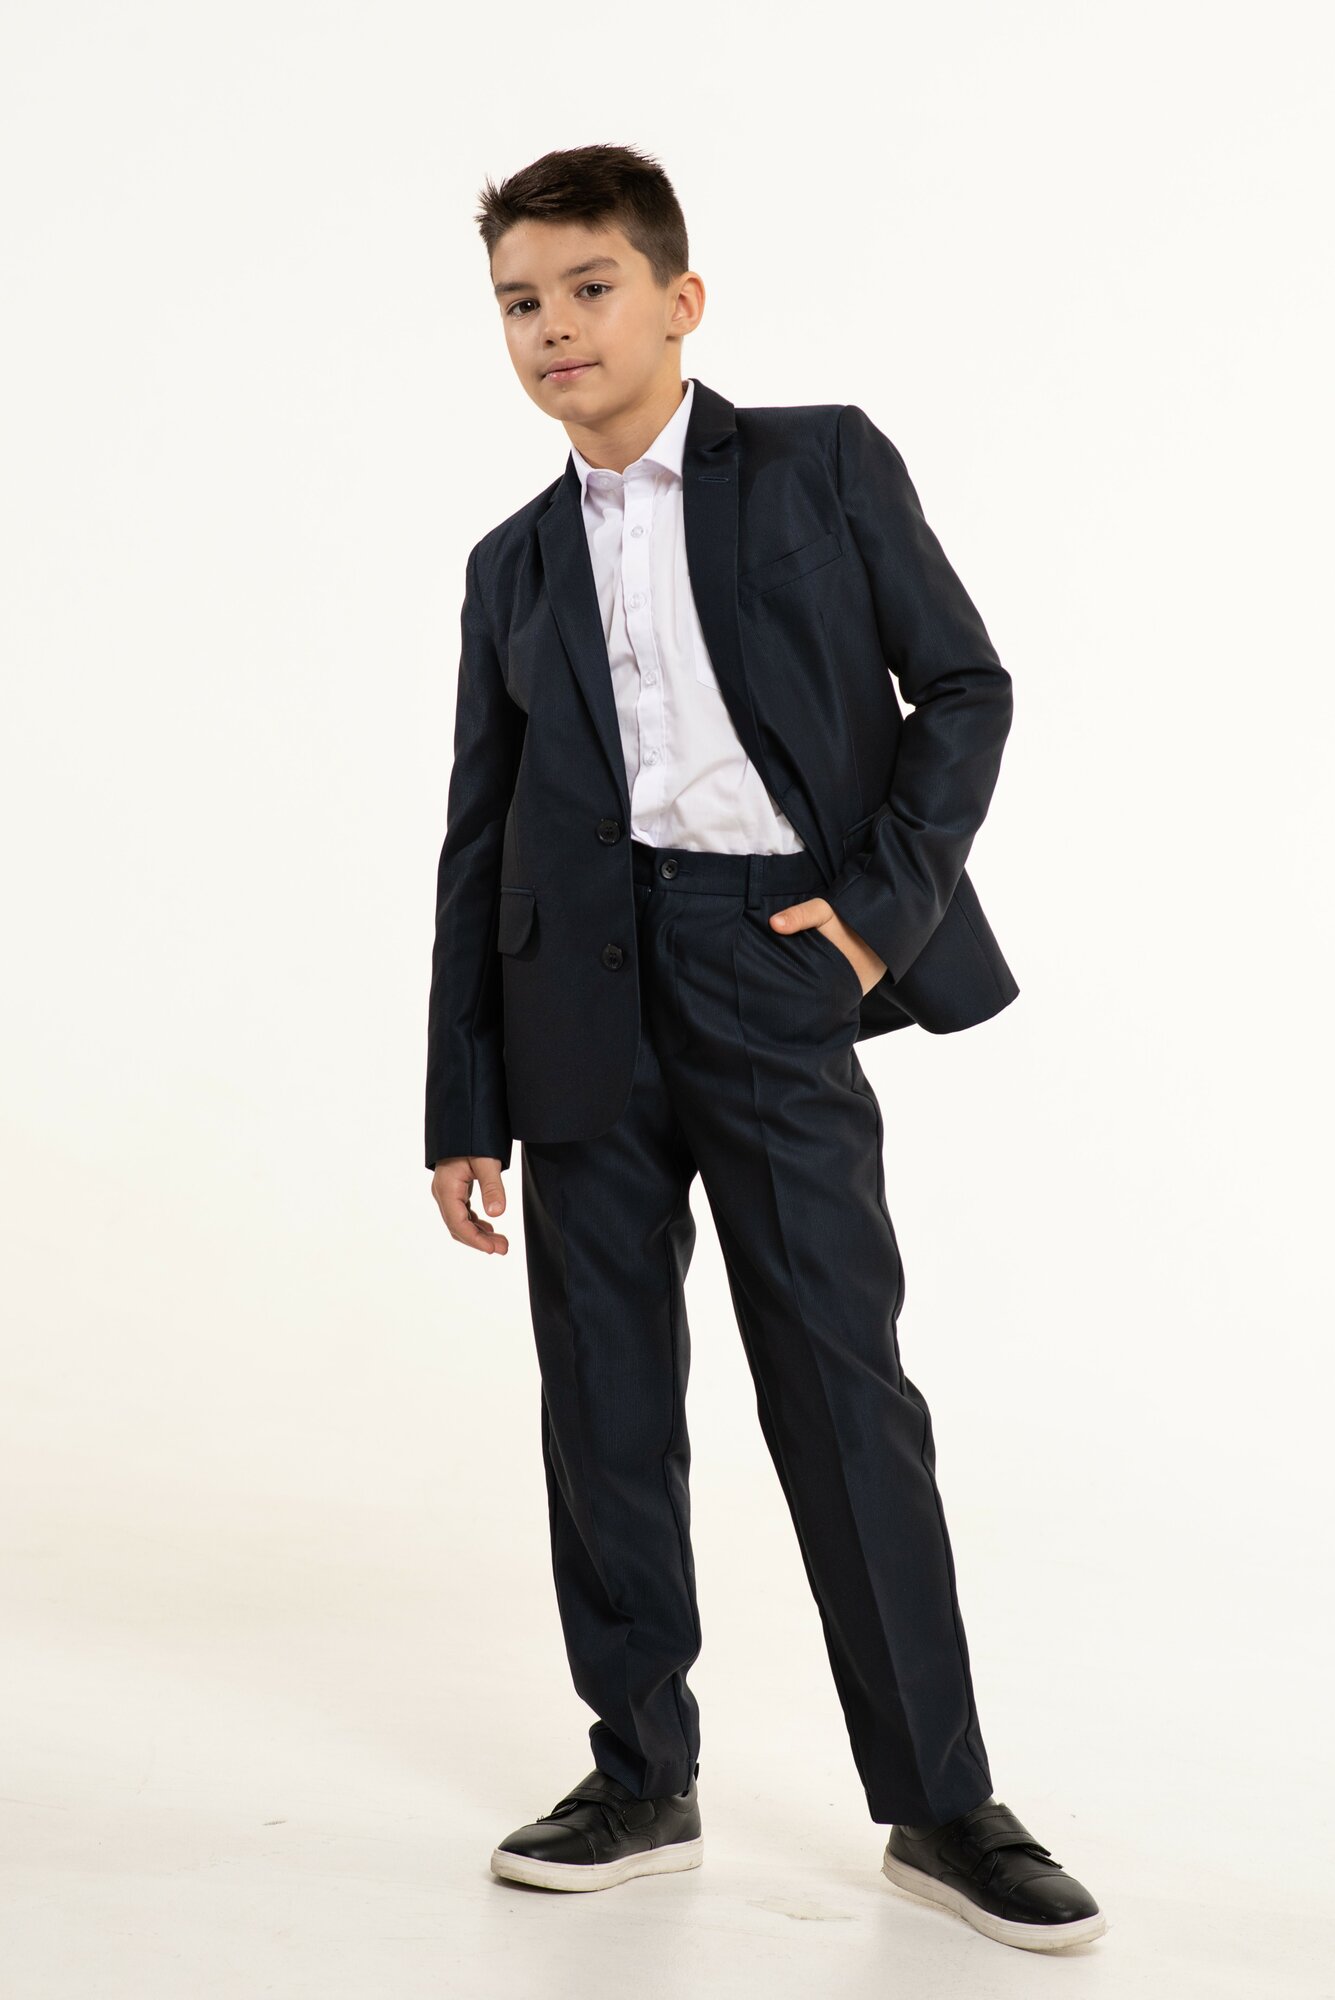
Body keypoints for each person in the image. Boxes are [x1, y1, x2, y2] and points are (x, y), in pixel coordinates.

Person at [424, 141, 1106, 1952]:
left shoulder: (818, 465)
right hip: (576, 1001)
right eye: (519, 301)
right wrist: (461, 1097)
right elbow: (478, 838)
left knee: (839, 1382)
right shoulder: (509, 566)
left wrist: (875, 913)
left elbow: (965, 687)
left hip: (772, 962)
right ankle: (638, 1771)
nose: (554, 327)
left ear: (681, 299)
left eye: (589, 288)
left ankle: (942, 1805)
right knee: (605, 1400)